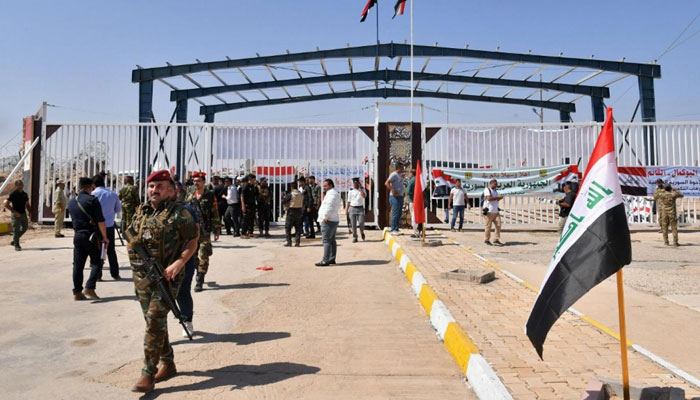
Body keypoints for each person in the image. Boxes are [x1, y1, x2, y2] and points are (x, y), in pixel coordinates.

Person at [127, 169, 198, 393]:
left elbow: (193, 240)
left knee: (154, 319)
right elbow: (131, 235)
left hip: (167, 278)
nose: (154, 190)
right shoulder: (142, 211)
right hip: (142, 277)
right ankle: (168, 362)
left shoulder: (180, 213)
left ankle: (148, 373)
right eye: (151, 186)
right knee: (154, 323)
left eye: (159, 187)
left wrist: (179, 262)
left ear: (170, 190)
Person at [67, 177, 108, 300]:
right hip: (91, 236)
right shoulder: (92, 200)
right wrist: (105, 237)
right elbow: (100, 221)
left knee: (78, 265)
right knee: (97, 262)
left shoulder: (71, 202)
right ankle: (90, 287)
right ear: (91, 187)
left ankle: (77, 292)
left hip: (77, 236)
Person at [185, 172, 220, 292]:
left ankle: (200, 279)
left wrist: (217, 229)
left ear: (204, 182)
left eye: (198, 181)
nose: (196, 183)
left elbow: (214, 212)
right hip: (192, 230)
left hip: (204, 230)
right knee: (194, 255)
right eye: (194, 181)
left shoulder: (209, 195)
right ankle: (198, 271)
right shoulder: (190, 194)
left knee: (203, 254)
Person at [175, 190, 201, 338]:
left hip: (184, 258)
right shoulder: (152, 211)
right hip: (160, 261)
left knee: (182, 291)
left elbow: (195, 236)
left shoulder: (187, 210)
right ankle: (159, 332)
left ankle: (187, 321)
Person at [92, 174, 122, 280]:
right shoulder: (113, 194)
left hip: (96, 227)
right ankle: (115, 273)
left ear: (93, 184)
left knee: (97, 250)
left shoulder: (92, 195)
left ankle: (97, 275)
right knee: (111, 250)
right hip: (109, 226)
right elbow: (118, 210)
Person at [315, 179, 342, 266]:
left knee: (326, 241)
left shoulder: (332, 194)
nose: (324, 187)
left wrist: (325, 217)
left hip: (328, 220)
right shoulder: (331, 193)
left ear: (331, 185)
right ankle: (331, 258)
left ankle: (325, 260)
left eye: (326, 185)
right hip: (331, 219)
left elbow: (329, 206)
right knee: (332, 240)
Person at [4, 180, 31, 251]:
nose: (21, 186)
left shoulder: (25, 194)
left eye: (21, 185)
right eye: (19, 185)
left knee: (25, 227)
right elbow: (6, 204)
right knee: (16, 230)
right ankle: (17, 245)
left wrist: (30, 212)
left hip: (23, 213)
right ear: (16, 186)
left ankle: (15, 240)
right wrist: (14, 212)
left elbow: (27, 204)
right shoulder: (13, 194)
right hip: (15, 215)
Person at [385, 162, 405, 233]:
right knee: (395, 213)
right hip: (394, 197)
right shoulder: (394, 174)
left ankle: (396, 228)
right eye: (402, 167)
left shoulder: (399, 175)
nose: (403, 168)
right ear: (398, 167)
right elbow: (386, 183)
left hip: (400, 196)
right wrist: (392, 190)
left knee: (399, 213)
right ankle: (393, 228)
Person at [483, 179, 504, 246]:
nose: (496, 185)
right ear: (491, 184)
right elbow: (489, 198)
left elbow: (495, 200)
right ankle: (486, 240)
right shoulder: (487, 190)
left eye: (496, 184)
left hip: (495, 211)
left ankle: (496, 239)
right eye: (495, 184)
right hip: (489, 211)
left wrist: (498, 199)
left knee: (498, 225)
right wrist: (497, 198)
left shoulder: (495, 191)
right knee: (488, 227)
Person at [283, 182, 304, 247]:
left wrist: (283, 197)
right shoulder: (300, 194)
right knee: (298, 228)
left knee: (288, 227)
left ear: (291, 187)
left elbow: (284, 201)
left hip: (291, 211)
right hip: (299, 211)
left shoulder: (291, 194)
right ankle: (297, 242)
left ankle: (289, 242)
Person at [346, 177, 366, 242]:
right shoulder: (351, 190)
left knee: (361, 222)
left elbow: (364, 196)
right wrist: (347, 210)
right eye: (354, 183)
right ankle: (355, 237)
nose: (355, 184)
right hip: (352, 208)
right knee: (353, 224)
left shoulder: (363, 189)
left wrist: (360, 189)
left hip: (360, 208)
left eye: (356, 183)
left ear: (358, 183)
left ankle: (362, 232)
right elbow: (348, 201)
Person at [240, 174, 258, 238]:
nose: (255, 180)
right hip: (247, 205)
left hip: (252, 204)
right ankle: (243, 233)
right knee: (245, 219)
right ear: (250, 179)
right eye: (254, 179)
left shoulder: (253, 186)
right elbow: (242, 196)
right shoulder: (246, 186)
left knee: (251, 219)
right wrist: (243, 205)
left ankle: (250, 232)